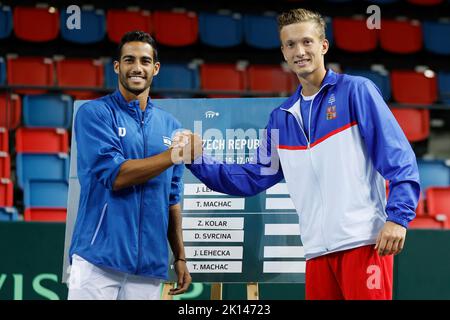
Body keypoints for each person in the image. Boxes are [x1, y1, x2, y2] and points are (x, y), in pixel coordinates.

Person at [179, 8, 420, 300]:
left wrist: (398, 218)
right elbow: (251, 177)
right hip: (317, 251)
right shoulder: (280, 118)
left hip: (364, 242)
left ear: (323, 45)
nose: (300, 51)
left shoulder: (357, 91)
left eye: (307, 41)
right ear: (283, 52)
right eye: (291, 44)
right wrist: (196, 159)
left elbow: (400, 160)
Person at [67, 31, 192, 300]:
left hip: (148, 266)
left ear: (155, 68)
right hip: (96, 261)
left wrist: (180, 257)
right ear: (117, 66)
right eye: (129, 60)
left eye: (145, 61)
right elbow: (116, 176)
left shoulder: (170, 126)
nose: (137, 68)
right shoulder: (94, 113)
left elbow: (172, 199)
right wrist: (173, 155)